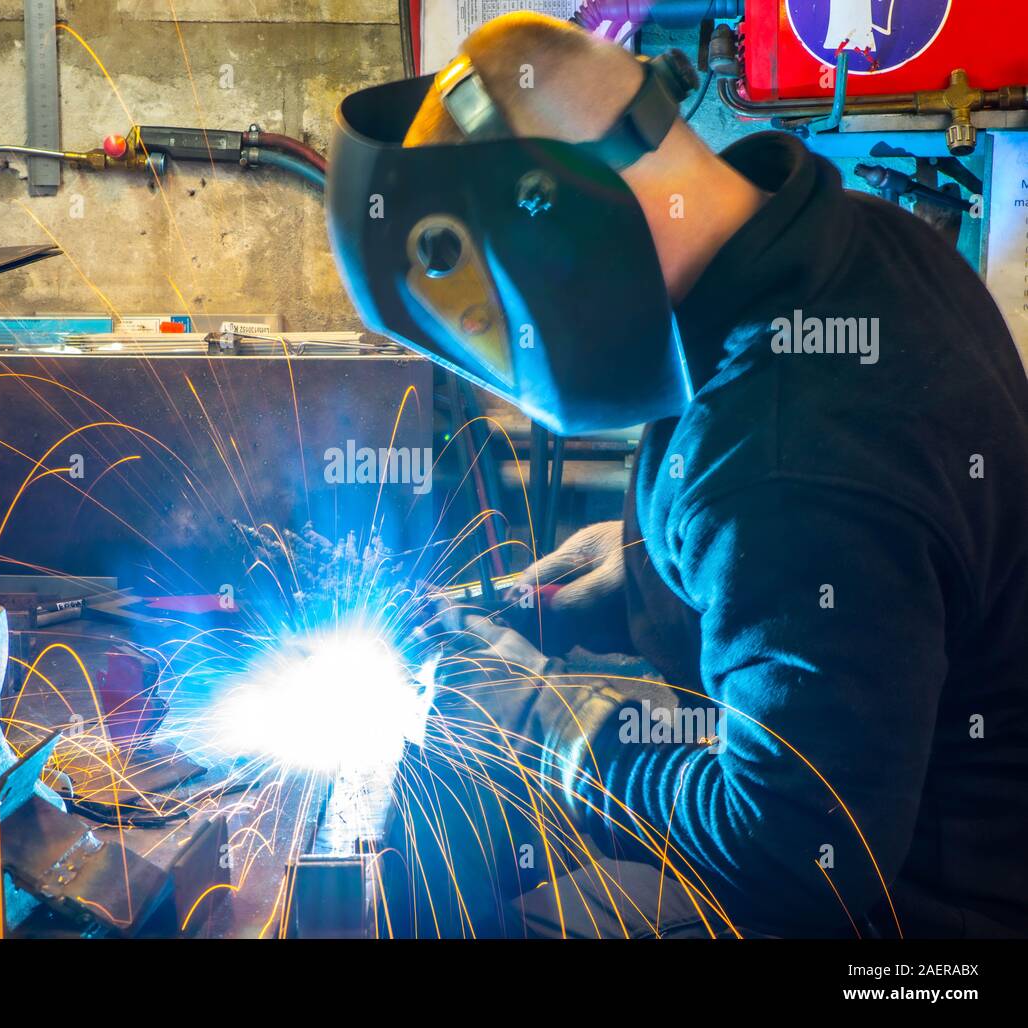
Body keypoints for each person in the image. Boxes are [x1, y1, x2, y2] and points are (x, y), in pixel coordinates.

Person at [328, 12, 1028, 938]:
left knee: (519, 915)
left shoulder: (789, 454)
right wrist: (635, 575)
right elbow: (824, 568)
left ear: (553, 231)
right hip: (915, 810)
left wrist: (547, 727)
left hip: (922, 936)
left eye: (494, 324)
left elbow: (788, 859)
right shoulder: (851, 244)